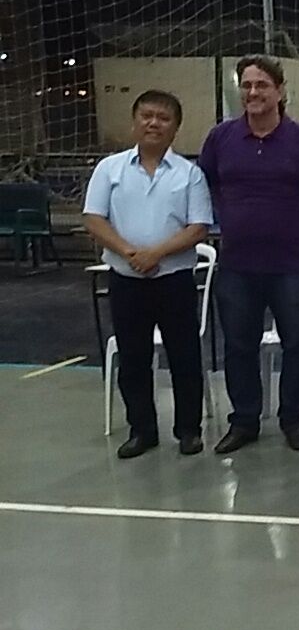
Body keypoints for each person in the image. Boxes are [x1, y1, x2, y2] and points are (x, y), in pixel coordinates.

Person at [198, 55, 299, 455]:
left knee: (296, 344)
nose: (253, 92)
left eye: (262, 85)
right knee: (238, 345)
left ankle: (293, 418)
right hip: (238, 265)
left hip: (292, 265)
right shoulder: (221, 139)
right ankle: (244, 420)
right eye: (246, 85)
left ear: (280, 91)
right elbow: (207, 184)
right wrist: (232, 216)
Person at [83, 90, 212, 459]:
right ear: (135, 122)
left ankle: (188, 431)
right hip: (126, 280)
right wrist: (130, 253)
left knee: (184, 356)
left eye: (163, 118)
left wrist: (157, 253)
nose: (154, 123)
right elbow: (93, 218)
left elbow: (198, 227)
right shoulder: (109, 169)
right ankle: (142, 431)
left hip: (174, 280)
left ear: (175, 128)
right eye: (147, 116)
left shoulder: (190, 174)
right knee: (133, 358)